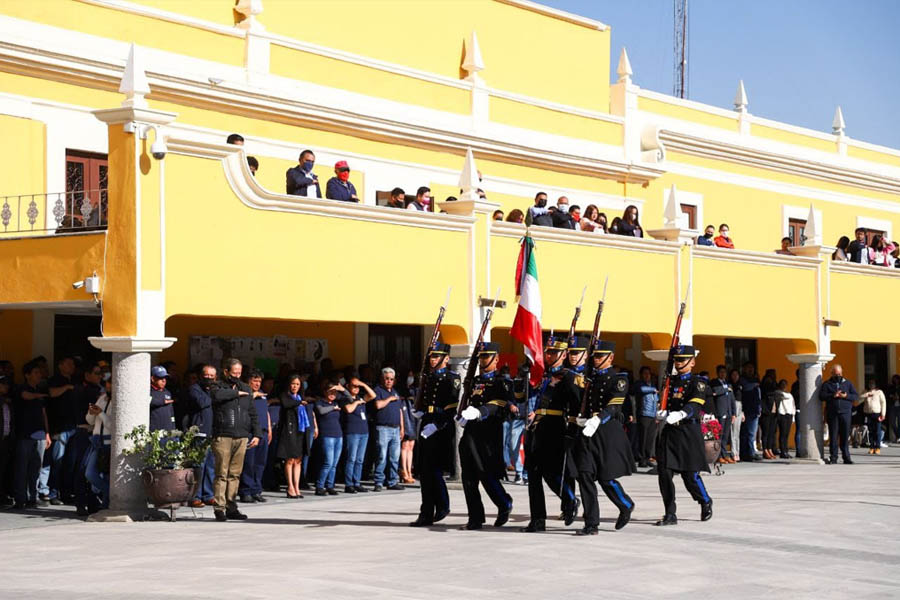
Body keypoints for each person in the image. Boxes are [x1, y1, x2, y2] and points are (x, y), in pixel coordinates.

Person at [574, 340, 636, 534]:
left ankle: (625, 504)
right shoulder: (589, 379)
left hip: (607, 432)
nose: (597, 359)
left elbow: (614, 404)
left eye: (600, 356)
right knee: (584, 475)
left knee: (606, 478)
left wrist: (598, 419)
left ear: (610, 358)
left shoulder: (619, 379)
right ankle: (591, 523)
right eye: (595, 356)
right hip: (587, 432)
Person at [521, 336, 579, 533]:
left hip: (555, 427)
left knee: (551, 473)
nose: (549, 355)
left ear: (563, 355)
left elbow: (576, 405)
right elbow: (532, 399)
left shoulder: (569, 377)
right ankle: (537, 519)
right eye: (548, 352)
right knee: (534, 474)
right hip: (538, 427)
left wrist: (572, 429)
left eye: (554, 352)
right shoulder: (544, 375)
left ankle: (570, 499)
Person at [456, 342, 514, 530]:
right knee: (468, 477)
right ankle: (475, 518)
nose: (483, 360)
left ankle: (504, 502)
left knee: (486, 474)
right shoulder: (474, 381)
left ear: (496, 359)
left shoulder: (502, 382)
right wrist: (463, 414)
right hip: (471, 432)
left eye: (487, 356)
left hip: (489, 433)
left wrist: (480, 411)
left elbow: (501, 403)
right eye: (481, 356)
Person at [653, 345, 713, 526]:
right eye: (677, 360)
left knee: (690, 475)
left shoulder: (698, 382)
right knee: (664, 474)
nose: (678, 363)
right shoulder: (670, 381)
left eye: (682, 360)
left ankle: (705, 500)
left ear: (692, 362)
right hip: (670, 433)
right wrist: (662, 412)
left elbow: (695, 403)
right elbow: (665, 402)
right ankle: (670, 513)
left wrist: (680, 414)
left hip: (688, 432)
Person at [409, 343, 459, 527]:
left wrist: (437, 425)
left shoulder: (452, 378)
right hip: (427, 422)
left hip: (441, 426)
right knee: (424, 470)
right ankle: (427, 512)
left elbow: (452, 407)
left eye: (437, 356)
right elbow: (424, 400)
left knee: (434, 469)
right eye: (431, 356)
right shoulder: (427, 378)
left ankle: (442, 505)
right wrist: (420, 411)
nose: (433, 359)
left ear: (446, 359)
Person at [209, 358, 261, 521]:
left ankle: (231, 506)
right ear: (226, 372)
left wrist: (257, 434)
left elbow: (252, 413)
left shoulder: (246, 388)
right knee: (221, 473)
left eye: (239, 373)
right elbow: (216, 396)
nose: (237, 376)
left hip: (241, 436)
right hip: (223, 435)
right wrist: (236, 393)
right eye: (234, 373)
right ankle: (219, 508)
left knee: (235, 474)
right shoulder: (217, 386)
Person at [13, 361, 51, 509]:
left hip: (40, 435)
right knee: (22, 468)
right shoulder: (22, 388)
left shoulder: (39, 391)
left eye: (39, 372)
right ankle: (20, 499)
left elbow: (44, 414)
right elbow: (25, 396)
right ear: (27, 375)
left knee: (36, 468)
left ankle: (32, 498)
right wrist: (38, 395)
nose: (39, 375)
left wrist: (47, 433)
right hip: (25, 434)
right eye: (35, 372)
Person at [79, 374, 111, 515]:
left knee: (105, 475)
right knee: (90, 474)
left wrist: (101, 414)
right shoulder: (102, 398)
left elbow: (114, 425)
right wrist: (92, 413)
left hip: (110, 442)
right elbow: (90, 421)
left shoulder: (120, 400)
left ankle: (106, 503)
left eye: (110, 383)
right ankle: (110, 492)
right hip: (97, 441)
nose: (108, 386)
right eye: (107, 383)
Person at [238, 370, 272, 503]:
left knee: (260, 463)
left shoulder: (263, 395)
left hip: (263, 432)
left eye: (259, 381)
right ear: (248, 381)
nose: (257, 384)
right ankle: (246, 491)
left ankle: (256, 490)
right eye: (254, 381)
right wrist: (252, 396)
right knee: (249, 463)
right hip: (250, 432)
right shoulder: (245, 394)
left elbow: (266, 412)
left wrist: (269, 428)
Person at [276, 374, 311, 498]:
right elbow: (286, 404)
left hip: (301, 431)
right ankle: (290, 486)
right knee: (289, 459)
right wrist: (299, 403)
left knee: (298, 460)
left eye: (297, 384)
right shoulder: (286, 396)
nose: (295, 386)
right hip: (289, 431)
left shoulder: (301, 397)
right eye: (293, 383)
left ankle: (297, 486)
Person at [186, 364, 216, 508]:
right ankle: (195, 496)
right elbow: (203, 402)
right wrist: (215, 394)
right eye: (207, 375)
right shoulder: (194, 389)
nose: (209, 378)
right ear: (200, 376)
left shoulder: (211, 390)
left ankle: (208, 494)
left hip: (211, 433)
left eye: (212, 376)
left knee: (210, 466)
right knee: (199, 466)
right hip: (199, 433)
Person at [340, 376, 375, 493]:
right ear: (348, 387)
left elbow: (373, 395)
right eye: (353, 386)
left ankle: (357, 482)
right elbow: (348, 409)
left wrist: (362, 384)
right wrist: (356, 402)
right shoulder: (345, 398)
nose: (356, 388)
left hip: (364, 432)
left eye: (357, 387)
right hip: (352, 432)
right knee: (351, 459)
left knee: (360, 460)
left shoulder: (361, 397)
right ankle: (349, 484)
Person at [372, 368, 404, 491]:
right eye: (387, 378)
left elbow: (400, 411)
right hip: (383, 428)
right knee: (381, 456)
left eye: (391, 379)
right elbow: (378, 405)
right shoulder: (378, 391)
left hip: (395, 429)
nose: (389, 381)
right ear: (382, 378)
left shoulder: (395, 392)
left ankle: (392, 481)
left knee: (394, 457)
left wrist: (402, 428)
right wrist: (389, 399)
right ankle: (379, 482)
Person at [819, 364, 858, 465]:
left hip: (846, 413)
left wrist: (846, 396)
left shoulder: (848, 383)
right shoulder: (827, 384)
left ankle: (846, 457)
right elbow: (821, 396)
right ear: (831, 373)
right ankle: (834, 457)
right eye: (836, 374)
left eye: (840, 374)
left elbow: (855, 396)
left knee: (845, 435)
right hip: (833, 413)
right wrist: (833, 395)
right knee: (833, 436)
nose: (838, 375)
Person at [314, 384, 344, 495]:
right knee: (328, 463)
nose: (332, 394)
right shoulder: (320, 402)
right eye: (330, 392)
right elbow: (321, 411)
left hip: (338, 435)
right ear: (325, 392)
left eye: (334, 393)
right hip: (327, 436)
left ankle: (330, 485)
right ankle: (320, 486)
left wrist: (342, 389)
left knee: (334, 464)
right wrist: (333, 408)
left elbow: (348, 398)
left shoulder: (336, 402)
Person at [503, 364, 529, 484]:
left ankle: (526, 473)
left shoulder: (533, 384)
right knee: (513, 445)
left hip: (531, 417)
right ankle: (519, 472)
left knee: (530, 447)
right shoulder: (512, 383)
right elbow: (508, 397)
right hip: (518, 417)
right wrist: (511, 405)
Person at [710, 365, 736, 464]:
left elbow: (732, 398)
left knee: (726, 436)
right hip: (720, 412)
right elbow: (715, 392)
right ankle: (719, 456)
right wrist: (726, 389)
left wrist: (733, 412)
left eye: (724, 372)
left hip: (728, 412)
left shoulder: (728, 383)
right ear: (717, 373)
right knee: (719, 436)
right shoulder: (714, 383)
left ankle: (725, 455)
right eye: (721, 372)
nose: (723, 374)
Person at [633, 367, 659, 467]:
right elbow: (641, 390)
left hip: (652, 415)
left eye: (648, 373)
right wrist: (654, 390)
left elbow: (656, 400)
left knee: (650, 438)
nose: (647, 375)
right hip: (643, 414)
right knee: (642, 438)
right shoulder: (639, 384)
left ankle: (648, 457)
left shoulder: (652, 385)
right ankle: (641, 458)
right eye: (645, 373)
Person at [739, 363, 763, 461]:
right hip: (747, 409)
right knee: (749, 433)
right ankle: (749, 453)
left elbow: (759, 395)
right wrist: (755, 384)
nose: (750, 370)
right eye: (748, 368)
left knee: (751, 433)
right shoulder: (743, 380)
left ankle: (750, 452)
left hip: (755, 409)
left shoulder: (756, 380)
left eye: (752, 368)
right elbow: (746, 387)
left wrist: (759, 408)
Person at [399, 371, 419, 484]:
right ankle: (404, 470)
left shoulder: (415, 389)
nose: (410, 378)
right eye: (409, 375)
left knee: (411, 445)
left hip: (413, 417)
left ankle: (410, 471)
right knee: (405, 444)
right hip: (405, 415)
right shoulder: (401, 390)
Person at [859, 380, 886, 455]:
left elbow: (883, 403)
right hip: (868, 413)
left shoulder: (879, 392)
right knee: (870, 431)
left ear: (875, 385)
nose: (871, 385)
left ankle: (877, 447)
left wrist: (883, 414)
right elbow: (859, 397)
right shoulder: (865, 391)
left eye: (873, 384)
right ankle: (871, 447)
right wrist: (867, 394)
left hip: (877, 413)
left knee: (877, 431)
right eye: (870, 384)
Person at [149, 365, 175, 432]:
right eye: (160, 378)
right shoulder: (149, 391)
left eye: (165, 378)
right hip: (155, 432)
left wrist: (173, 427)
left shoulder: (167, 392)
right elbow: (149, 401)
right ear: (153, 379)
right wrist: (163, 401)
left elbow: (171, 413)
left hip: (168, 431)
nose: (164, 380)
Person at [760, 369, 778, 460]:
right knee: (766, 432)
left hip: (774, 411)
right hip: (766, 410)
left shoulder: (774, 383)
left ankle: (770, 448)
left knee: (771, 432)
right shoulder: (765, 384)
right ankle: (765, 450)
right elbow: (767, 393)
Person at [0, 375, 13, 506]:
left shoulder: (7, 402)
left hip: (5, 439)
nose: (6, 386)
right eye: (3, 384)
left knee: (3, 469)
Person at [775, 379, 795, 459]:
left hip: (789, 415)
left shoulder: (789, 395)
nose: (784, 386)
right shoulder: (778, 393)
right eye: (782, 384)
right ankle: (783, 451)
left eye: (785, 384)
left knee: (786, 434)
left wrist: (793, 415)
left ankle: (786, 450)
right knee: (783, 434)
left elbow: (793, 405)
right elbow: (782, 396)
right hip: (782, 414)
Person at [729, 369, 743, 462]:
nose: (735, 376)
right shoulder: (729, 385)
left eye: (736, 374)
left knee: (737, 432)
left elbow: (742, 399)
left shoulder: (740, 385)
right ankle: (733, 452)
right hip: (732, 406)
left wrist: (742, 412)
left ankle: (738, 452)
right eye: (733, 375)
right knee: (732, 432)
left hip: (739, 407)